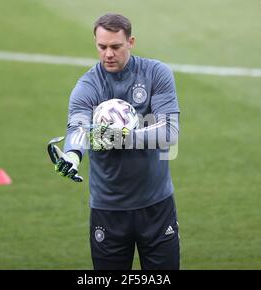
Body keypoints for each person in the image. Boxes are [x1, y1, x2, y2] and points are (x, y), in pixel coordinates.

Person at [53, 13, 180, 270]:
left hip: (156, 206)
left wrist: (120, 137)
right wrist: (72, 156)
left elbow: (170, 132)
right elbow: (77, 127)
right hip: (108, 209)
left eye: (115, 46)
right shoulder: (88, 86)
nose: (108, 54)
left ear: (130, 42)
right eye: (102, 47)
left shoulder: (157, 74)